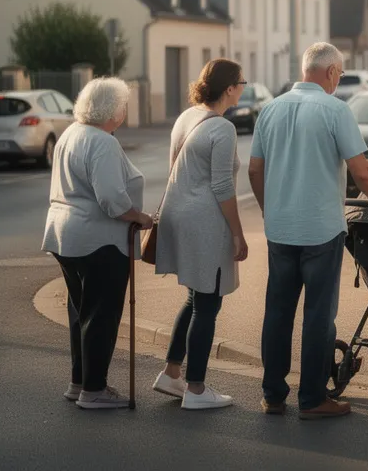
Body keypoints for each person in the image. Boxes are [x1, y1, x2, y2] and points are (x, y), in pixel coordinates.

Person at [248, 42, 368, 420]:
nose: (340, 79)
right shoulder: (335, 109)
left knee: (277, 313)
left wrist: (271, 210)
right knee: (317, 316)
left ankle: (273, 395)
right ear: (330, 73)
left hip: (280, 230)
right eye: (340, 73)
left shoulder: (271, 109)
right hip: (320, 232)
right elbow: (362, 172)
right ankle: (312, 399)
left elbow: (253, 170)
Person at [41, 77, 154, 409]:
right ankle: (94, 390)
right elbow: (111, 199)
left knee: (81, 312)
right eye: (123, 106)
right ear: (113, 110)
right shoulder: (102, 142)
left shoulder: (71, 134)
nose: (125, 111)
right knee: (102, 315)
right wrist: (139, 216)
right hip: (97, 239)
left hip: (65, 235)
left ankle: (80, 383)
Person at [152, 59, 249, 410]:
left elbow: (175, 169)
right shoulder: (221, 128)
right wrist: (238, 234)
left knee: (195, 298)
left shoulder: (187, 117)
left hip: (180, 215)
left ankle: (172, 372)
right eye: (242, 81)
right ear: (228, 88)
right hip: (205, 222)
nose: (244, 87)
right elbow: (222, 186)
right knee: (208, 303)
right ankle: (196, 389)